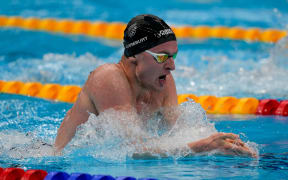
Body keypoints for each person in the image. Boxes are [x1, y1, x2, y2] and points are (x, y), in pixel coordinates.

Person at [54, 14, 256, 158]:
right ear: (133, 55)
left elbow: (181, 131)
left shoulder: (161, 81)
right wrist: (202, 146)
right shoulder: (108, 78)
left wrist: (222, 144)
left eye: (173, 56)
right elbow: (129, 148)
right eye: (162, 57)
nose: (172, 66)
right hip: (60, 165)